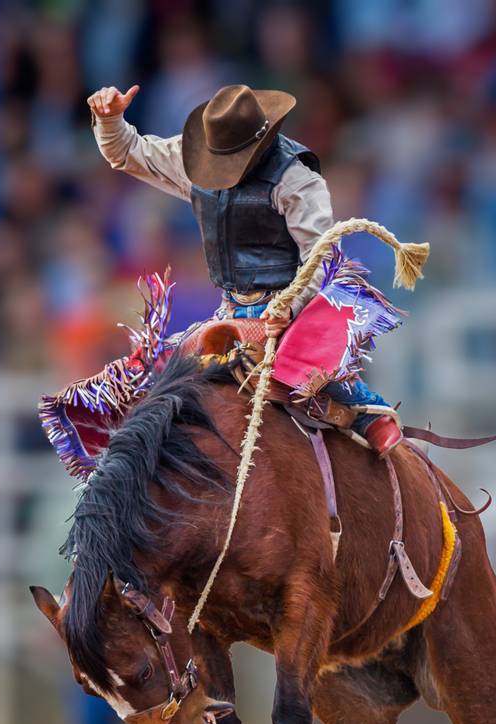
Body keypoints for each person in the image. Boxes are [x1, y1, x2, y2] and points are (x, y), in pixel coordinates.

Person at [87, 83, 402, 455]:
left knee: (313, 373)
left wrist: (289, 305)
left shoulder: (296, 180)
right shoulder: (195, 158)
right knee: (158, 386)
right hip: (230, 310)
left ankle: (369, 412)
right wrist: (111, 121)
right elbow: (128, 151)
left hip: (290, 308)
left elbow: (320, 257)